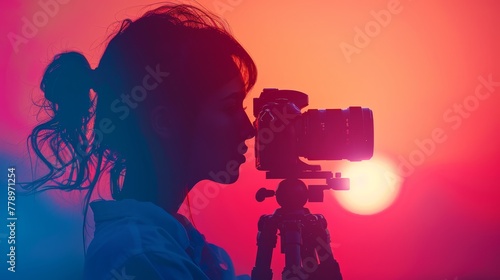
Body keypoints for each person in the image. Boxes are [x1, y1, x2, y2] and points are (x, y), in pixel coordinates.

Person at [25, 3, 256, 279]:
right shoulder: (141, 258)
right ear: (165, 122)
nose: (249, 129)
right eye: (229, 108)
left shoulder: (171, 246)